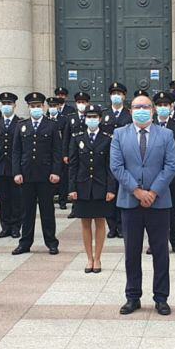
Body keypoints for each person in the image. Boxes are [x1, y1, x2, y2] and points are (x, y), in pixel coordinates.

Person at [109, 93, 175, 316]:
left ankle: (161, 297)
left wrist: (153, 192)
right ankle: (132, 296)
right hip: (130, 201)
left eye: (146, 106)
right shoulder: (119, 134)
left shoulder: (166, 134)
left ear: (153, 110)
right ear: (130, 111)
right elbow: (117, 166)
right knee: (131, 252)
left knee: (160, 252)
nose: (142, 110)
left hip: (159, 202)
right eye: (138, 106)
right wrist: (137, 192)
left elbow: (171, 166)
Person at [12, 92, 64, 255]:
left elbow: (57, 151)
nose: (35, 109)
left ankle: (51, 242)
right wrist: (16, 172)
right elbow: (16, 151)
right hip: (26, 175)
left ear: (43, 107)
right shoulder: (21, 125)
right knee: (26, 211)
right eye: (32, 106)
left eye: (38, 106)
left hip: (45, 175)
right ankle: (25, 243)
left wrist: (56, 171)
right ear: (28, 107)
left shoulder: (52, 125)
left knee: (47, 210)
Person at [68, 104, 117, 273]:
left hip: (100, 186)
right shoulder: (77, 138)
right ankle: (89, 258)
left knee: (100, 222)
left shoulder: (107, 138)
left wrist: (111, 189)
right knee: (85, 224)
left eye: (95, 117)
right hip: (82, 187)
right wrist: (71, 188)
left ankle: (98, 258)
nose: (92, 120)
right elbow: (73, 165)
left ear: (100, 119)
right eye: (89, 117)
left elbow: (110, 166)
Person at [153, 91, 175, 255]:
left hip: (174, 176)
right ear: (154, 108)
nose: (162, 108)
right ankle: (155, 243)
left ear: (171, 106)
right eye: (159, 105)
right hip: (153, 176)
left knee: (174, 211)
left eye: (165, 105)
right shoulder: (149, 125)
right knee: (154, 212)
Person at [0, 92, 22, 239]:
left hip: (15, 166)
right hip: (0, 165)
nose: (6, 106)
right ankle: (5, 226)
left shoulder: (20, 123)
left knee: (16, 198)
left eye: (9, 104)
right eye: (4, 104)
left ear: (14, 105)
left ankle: (15, 226)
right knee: (3, 198)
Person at [102, 82, 132, 238]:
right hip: (107, 157)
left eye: (119, 93)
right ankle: (111, 225)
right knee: (109, 191)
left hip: (125, 157)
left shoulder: (129, 114)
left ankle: (121, 225)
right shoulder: (104, 114)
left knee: (123, 189)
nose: (116, 96)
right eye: (114, 93)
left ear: (124, 96)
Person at [48, 95, 71, 210]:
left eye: (54, 105)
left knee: (62, 178)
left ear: (58, 106)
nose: (52, 108)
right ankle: (49, 198)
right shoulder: (45, 118)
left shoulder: (64, 119)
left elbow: (66, 137)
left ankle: (62, 200)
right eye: (50, 106)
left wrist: (65, 153)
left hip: (60, 151)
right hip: (48, 153)